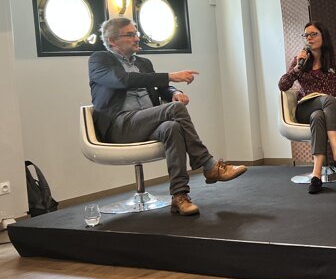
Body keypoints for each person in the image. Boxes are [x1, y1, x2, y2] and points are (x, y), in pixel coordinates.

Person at [88, 18, 247, 216]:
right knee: (175, 110)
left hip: (145, 124)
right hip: (119, 126)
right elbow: (122, 80)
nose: (137, 38)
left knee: (172, 127)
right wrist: (170, 75)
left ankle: (179, 196)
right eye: (130, 34)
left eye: (136, 33)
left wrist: (174, 92)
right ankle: (208, 165)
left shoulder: (144, 63)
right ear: (112, 40)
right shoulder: (99, 60)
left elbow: (161, 87)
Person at [278, 22, 336, 194]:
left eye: (313, 34)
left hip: (330, 110)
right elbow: (283, 85)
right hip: (305, 107)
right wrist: (297, 67)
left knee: (318, 116)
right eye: (306, 35)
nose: (309, 38)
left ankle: (316, 175)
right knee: (327, 101)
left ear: (323, 36)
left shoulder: (335, 58)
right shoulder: (300, 59)